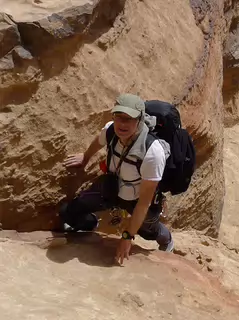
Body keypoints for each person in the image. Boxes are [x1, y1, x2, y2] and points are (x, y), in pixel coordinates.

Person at [59, 93, 173, 264]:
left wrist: (127, 236)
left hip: (137, 199)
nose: (122, 124)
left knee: (149, 230)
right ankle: (89, 226)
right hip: (113, 186)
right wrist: (85, 156)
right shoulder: (111, 130)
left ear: (140, 119)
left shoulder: (152, 151)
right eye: (119, 117)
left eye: (129, 119)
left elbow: (144, 202)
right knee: (69, 211)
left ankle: (167, 240)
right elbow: (99, 141)